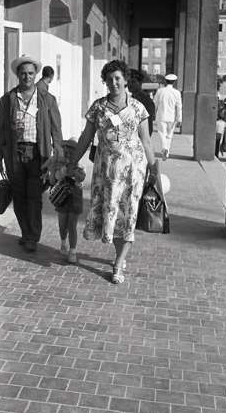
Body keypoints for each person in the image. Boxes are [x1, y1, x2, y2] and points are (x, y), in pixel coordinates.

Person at [70, 60, 158, 284]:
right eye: (109, 79)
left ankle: (118, 263)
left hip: (132, 172)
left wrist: (154, 168)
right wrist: (72, 161)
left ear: (125, 80)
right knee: (112, 214)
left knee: (128, 215)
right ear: (105, 82)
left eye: (118, 78)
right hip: (106, 173)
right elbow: (86, 137)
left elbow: (146, 141)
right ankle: (119, 254)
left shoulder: (138, 108)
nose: (114, 82)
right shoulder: (98, 107)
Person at [0, 55, 63, 253]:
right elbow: (0, 130)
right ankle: (25, 233)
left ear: (36, 75)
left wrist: (57, 155)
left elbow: (56, 129)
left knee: (34, 196)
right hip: (14, 154)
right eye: (23, 73)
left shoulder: (47, 100)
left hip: (38, 154)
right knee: (18, 196)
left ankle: (33, 236)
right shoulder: (7, 100)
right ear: (18, 75)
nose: (27, 77)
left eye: (31, 73)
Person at [47, 138, 86, 264]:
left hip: (75, 199)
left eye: (71, 150)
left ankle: (73, 251)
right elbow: (53, 179)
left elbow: (81, 177)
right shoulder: (59, 164)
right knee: (62, 225)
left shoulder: (79, 165)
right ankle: (63, 242)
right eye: (66, 149)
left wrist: (75, 172)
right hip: (62, 198)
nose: (68, 152)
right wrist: (60, 171)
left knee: (72, 225)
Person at [154, 73, 182, 160]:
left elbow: (155, 103)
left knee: (162, 133)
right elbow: (179, 106)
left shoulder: (160, 91)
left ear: (165, 81)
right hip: (172, 117)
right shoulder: (177, 93)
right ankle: (167, 152)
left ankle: (164, 148)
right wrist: (179, 119)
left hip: (161, 115)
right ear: (174, 82)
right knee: (169, 135)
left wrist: (154, 113)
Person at [128, 69, 155, 136]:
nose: (130, 84)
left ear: (140, 83)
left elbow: (148, 126)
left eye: (133, 82)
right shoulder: (129, 98)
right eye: (128, 82)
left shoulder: (145, 101)